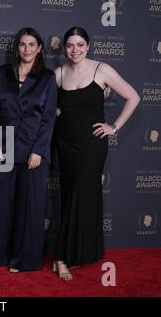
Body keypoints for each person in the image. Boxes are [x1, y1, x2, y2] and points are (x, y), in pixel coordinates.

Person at [53, 27, 140, 280]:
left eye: (80, 45)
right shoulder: (58, 74)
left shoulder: (101, 69)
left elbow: (133, 96)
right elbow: (53, 109)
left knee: (83, 193)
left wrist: (113, 127)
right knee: (70, 195)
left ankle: (61, 256)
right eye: (70, 45)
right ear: (65, 48)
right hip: (65, 143)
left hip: (92, 145)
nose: (75, 50)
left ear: (88, 46)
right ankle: (72, 253)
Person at [0, 28, 57, 272]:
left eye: (32, 44)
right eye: (22, 44)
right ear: (17, 48)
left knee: (30, 208)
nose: (26, 49)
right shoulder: (2, 74)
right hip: (2, 149)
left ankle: (24, 261)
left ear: (39, 49)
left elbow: (48, 118)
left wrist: (39, 150)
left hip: (33, 151)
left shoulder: (47, 78)